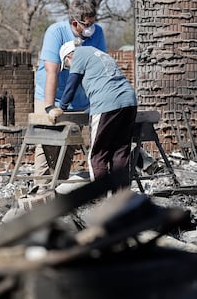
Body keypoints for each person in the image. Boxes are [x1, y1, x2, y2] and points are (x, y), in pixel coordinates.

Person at [33, 0, 107, 188]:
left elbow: (98, 69)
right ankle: (41, 189)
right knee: (47, 142)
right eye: (87, 24)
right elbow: (52, 71)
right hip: (51, 94)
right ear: (75, 23)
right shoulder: (55, 32)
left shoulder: (97, 33)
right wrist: (50, 107)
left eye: (92, 23)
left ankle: (59, 190)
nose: (91, 28)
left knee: (69, 145)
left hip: (78, 99)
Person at [47, 42, 138, 191]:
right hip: (129, 102)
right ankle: (122, 200)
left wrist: (61, 107)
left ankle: (102, 200)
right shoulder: (99, 54)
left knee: (97, 156)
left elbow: (72, 84)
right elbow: (107, 82)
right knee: (120, 154)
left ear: (69, 56)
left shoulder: (79, 54)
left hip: (107, 104)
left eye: (68, 65)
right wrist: (90, 109)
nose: (70, 68)